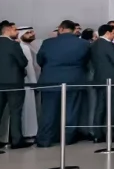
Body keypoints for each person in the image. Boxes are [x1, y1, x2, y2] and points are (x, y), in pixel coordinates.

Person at [35, 20, 90, 148]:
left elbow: (40, 60)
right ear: (73, 30)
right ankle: (67, 138)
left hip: (50, 81)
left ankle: (45, 140)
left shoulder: (48, 43)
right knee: (71, 110)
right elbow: (86, 61)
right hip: (74, 80)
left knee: (48, 112)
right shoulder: (83, 43)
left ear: (61, 29)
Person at [0, 21, 32, 149]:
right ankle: (16, 140)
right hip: (14, 82)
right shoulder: (13, 45)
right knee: (15, 112)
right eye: (14, 29)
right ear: (7, 30)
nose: (17, 32)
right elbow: (23, 62)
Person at [17, 27, 38, 141]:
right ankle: (28, 133)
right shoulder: (23, 48)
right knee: (27, 108)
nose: (31, 34)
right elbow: (29, 68)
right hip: (28, 83)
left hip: (32, 82)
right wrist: (34, 83)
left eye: (31, 32)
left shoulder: (30, 47)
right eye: (28, 33)